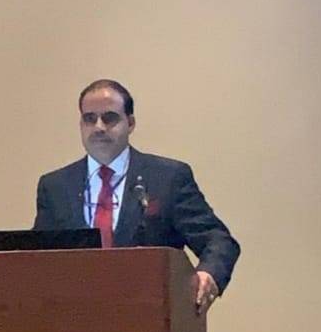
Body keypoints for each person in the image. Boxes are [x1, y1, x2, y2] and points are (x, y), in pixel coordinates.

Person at [33, 79, 240, 313]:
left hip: (150, 314)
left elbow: (218, 240)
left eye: (109, 118)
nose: (99, 127)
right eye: (89, 118)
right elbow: (39, 258)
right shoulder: (56, 187)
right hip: (73, 317)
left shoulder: (167, 178)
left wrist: (208, 275)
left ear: (130, 123)